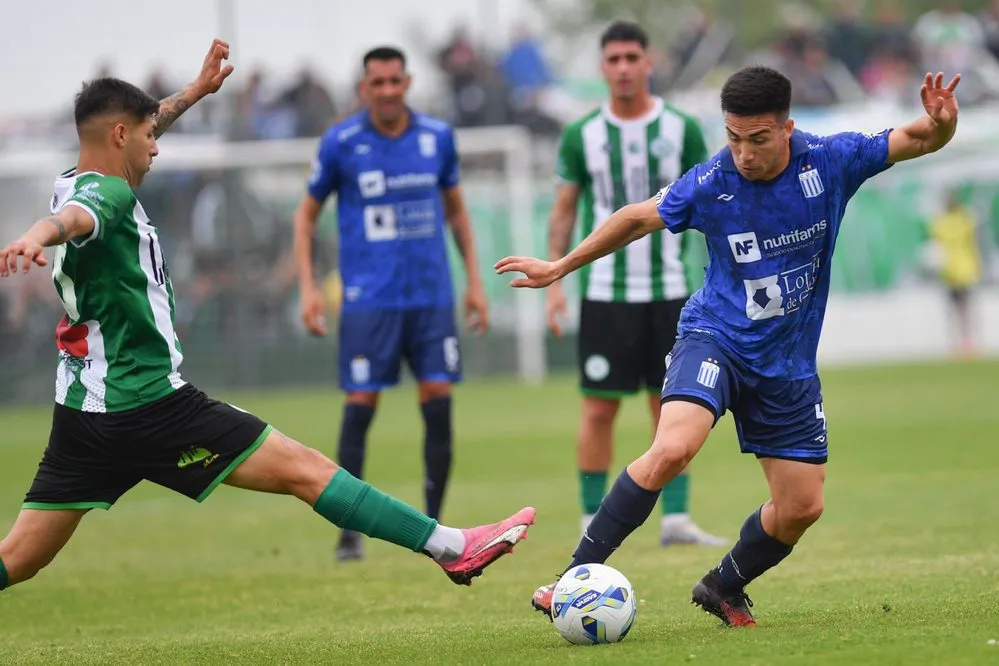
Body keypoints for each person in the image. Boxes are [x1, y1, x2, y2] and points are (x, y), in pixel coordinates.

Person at [0, 39, 534, 596]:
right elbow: (73, 219)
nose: (155, 148)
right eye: (148, 137)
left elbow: (117, 151)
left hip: (84, 408)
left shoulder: (74, 174)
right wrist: (35, 235)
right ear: (118, 136)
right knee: (303, 468)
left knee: (20, 556)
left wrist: (195, 92)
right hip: (148, 403)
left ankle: (446, 545)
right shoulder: (101, 195)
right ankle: (452, 547)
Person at [497, 65, 960, 627]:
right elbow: (636, 217)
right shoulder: (711, 181)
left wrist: (942, 125)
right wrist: (561, 265)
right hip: (713, 337)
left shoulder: (831, 160)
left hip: (787, 366)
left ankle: (723, 585)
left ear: (787, 128)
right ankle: (571, 578)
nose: (743, 153)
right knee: (672, 448)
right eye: (734, 137)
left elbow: (916, 138)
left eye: (758, 139)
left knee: (801, 508)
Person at [293, 46, 489, 562]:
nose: (385, 90)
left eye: (394, 81)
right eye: (376, 82)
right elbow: (306, 216)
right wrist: (310, 288)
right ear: (365, 87)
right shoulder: (342, 142)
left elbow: (456, 214)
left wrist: (473, 282)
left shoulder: (436, 138)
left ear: (408, 82)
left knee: (439, 404)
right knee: (360, 408)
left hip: (430, 298)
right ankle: (349, 532)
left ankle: (435, 530)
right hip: (369, 303)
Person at [546, 21, 725, 548]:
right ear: (603, 68)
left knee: (668, 405)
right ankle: (588, 517)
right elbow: (564, 210)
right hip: (605, 291)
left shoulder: (681, 128)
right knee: (598, 407)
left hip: (672, 290)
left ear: (648, 63)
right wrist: (556, 279)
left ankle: (676, 520)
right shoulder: (583, 135)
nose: (623, 68)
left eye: (632, 57)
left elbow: (712, 200)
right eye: (614, 59)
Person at [927, 188, 983, 357]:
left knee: (964, 309)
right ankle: (958, 343)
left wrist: (976, 266)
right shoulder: (943, 222)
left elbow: (972, 243)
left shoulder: (961, 220)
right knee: (955, 310)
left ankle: (967, 343)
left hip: (962, 270)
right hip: (951, 272)